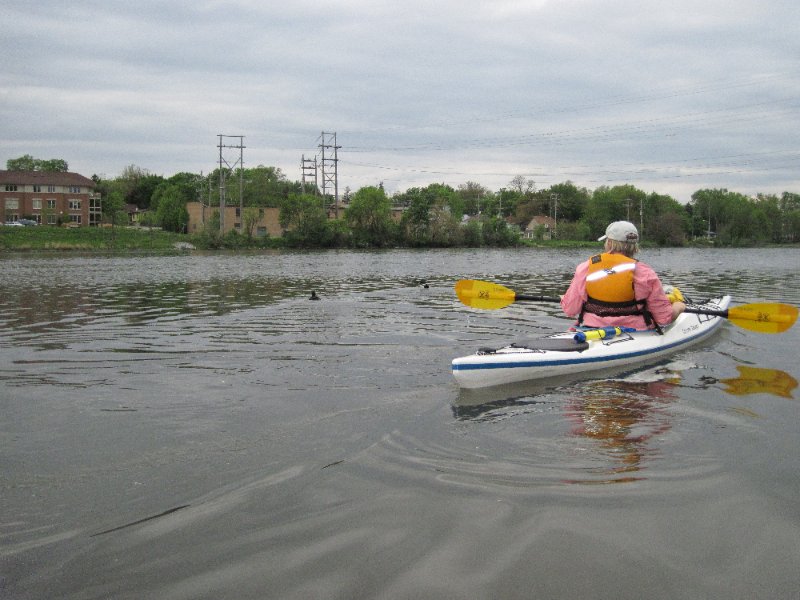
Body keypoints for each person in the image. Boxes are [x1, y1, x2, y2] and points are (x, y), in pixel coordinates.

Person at [560, 221, 685, 332]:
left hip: (591, 328)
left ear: (609, 243)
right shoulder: (645, 273)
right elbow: (664, 319)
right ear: (634, 246)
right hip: (636, 331)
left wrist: (565, 298)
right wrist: (678, 307)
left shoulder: (585, 268)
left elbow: (570, 309)